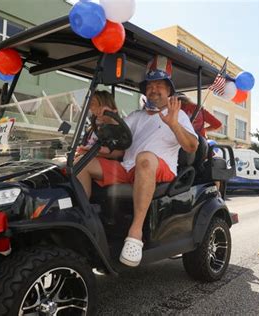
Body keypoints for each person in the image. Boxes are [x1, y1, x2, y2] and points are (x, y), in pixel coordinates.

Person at [77, 55, 198, 267]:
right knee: (80, 162)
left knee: (145, 158)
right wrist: (95, 146)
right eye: (150, 85)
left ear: (169, 90)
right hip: (128, 167)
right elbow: (118, 148)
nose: (154, 89)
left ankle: (135, 233)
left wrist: (173, 124)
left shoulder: (177, 116)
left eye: (160, 85)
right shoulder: (136, 116)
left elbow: (191, 147)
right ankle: (83, 219)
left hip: (161, 168)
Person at [77, 90, 119, 156]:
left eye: (93, 104)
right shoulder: (91, 128)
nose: (90, 108)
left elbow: (119, 153)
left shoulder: (116, 126)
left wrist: (110, 115)